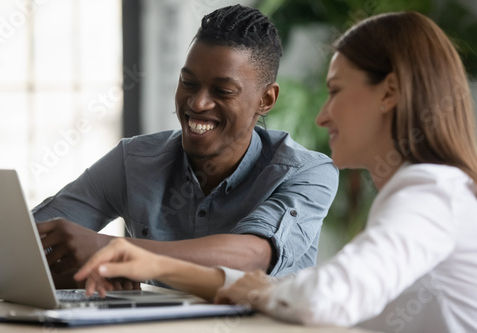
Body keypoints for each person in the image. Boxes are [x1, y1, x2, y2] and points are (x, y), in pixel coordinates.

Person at [74, 11, 477, 333]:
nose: (322, 116)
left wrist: (150, 262)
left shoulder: (429, 192)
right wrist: (156, 266)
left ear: (388, 92)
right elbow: (303, 294)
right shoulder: (421, 192)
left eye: (335, 91)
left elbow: (325, 297)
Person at [32, 4, 339, 288]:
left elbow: (252, 256)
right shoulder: (134, 161)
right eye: (188, 83)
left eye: (222, 90)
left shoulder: (307, 172)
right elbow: (21, 242)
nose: (197, 102)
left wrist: (115, 252)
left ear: (266, 99)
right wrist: (87, 272)